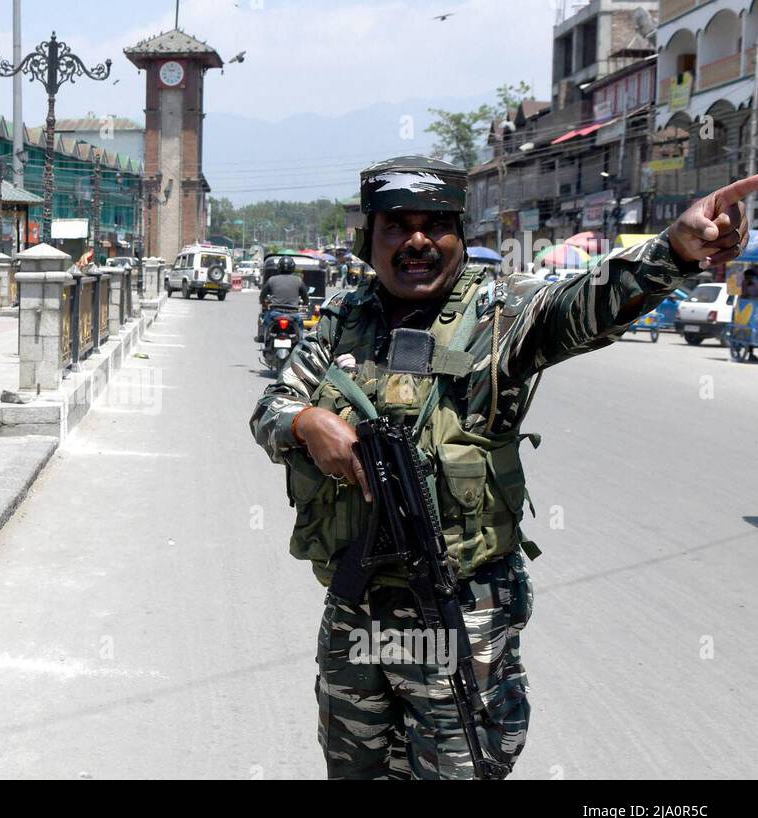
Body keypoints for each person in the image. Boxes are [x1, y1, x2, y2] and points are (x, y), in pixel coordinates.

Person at [250, 155, 755, 780]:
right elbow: (272, 405)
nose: (416, 241)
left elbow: (589, 303)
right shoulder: (342, 321)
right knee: (353, 769)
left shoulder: (501, 318)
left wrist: (674, 251)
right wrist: (305, 423)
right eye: (396, 226)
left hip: (459, 612)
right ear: (368, 238)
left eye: (435, 225)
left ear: (460, 236)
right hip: (357, 611)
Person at [257, 256, 310, 342]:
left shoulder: (271, 280)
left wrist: (263, 302)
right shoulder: (298, 280)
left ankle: (266, 340)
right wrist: (305, 303)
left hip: (275, 313)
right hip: (293, 314)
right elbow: (305, 298)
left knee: (266, 321)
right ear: (293, 267)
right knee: (300, 324)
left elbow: (262, 295)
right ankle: (300, 342)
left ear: (279, 267)